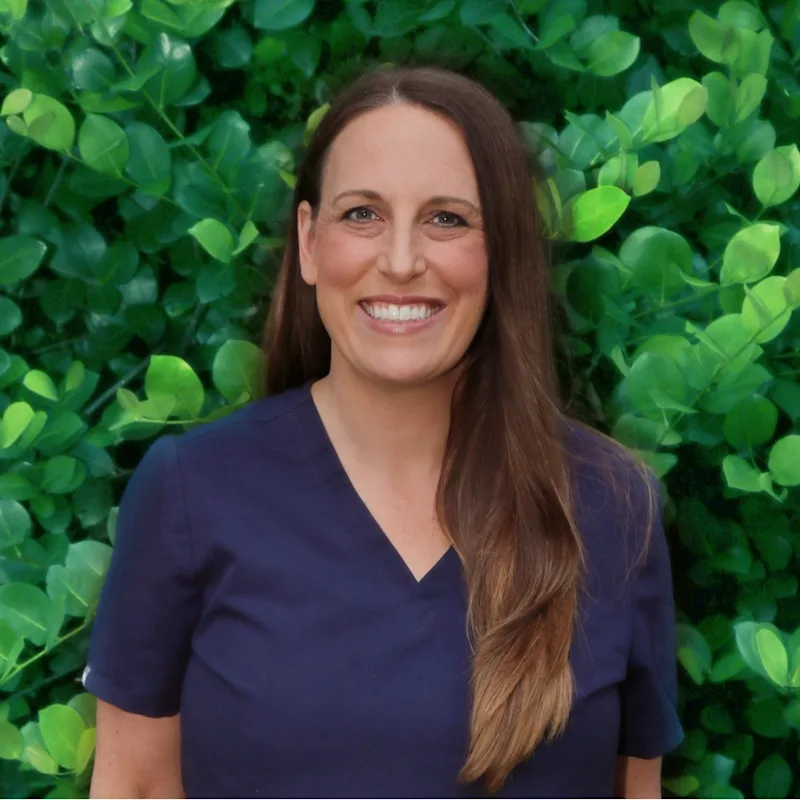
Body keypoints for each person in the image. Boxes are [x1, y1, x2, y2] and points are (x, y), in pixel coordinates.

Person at [84, 66, 683, 799]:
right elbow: (136, 786)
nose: (400, 262)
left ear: (502, 253)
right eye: (362, 215)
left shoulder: (613, 504)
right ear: (308, 243)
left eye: (448, 219)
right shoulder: (191, 492)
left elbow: (635, 790)